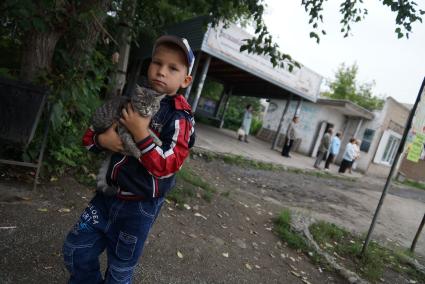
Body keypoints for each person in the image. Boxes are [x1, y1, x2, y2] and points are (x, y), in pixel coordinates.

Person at [63, 35, 196, 283]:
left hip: (139, 208)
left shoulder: (180, 118)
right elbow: (90, 135)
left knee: (119, 271)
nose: (161, 72)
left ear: (185, 80)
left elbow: (169, 166)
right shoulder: (134, 95)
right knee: (75, 249)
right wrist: (103, 141)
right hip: (105, 196)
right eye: (157, 63)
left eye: (173, 68)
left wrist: (140, 133)